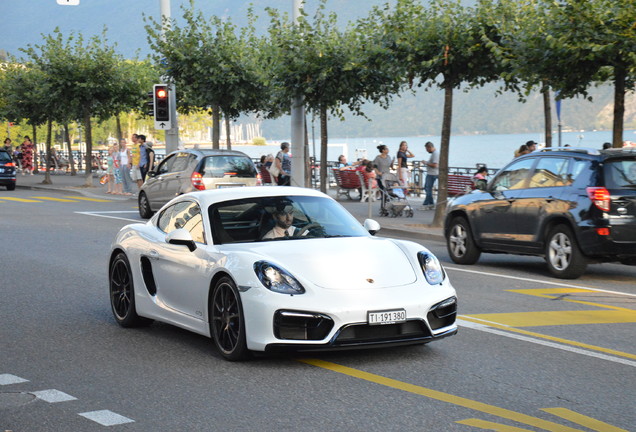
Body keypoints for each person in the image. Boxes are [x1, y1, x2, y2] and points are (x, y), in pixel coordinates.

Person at [421, 141, 439, 209]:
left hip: (432, 174)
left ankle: (426, 204)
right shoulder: (434, 153)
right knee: (427, 188)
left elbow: (435, 165)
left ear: (429, 147)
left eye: (427, 149)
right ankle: (431, 203)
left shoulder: (435, 154)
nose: (426, 150)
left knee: (428, 189)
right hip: (431, 173)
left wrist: (426, 163)